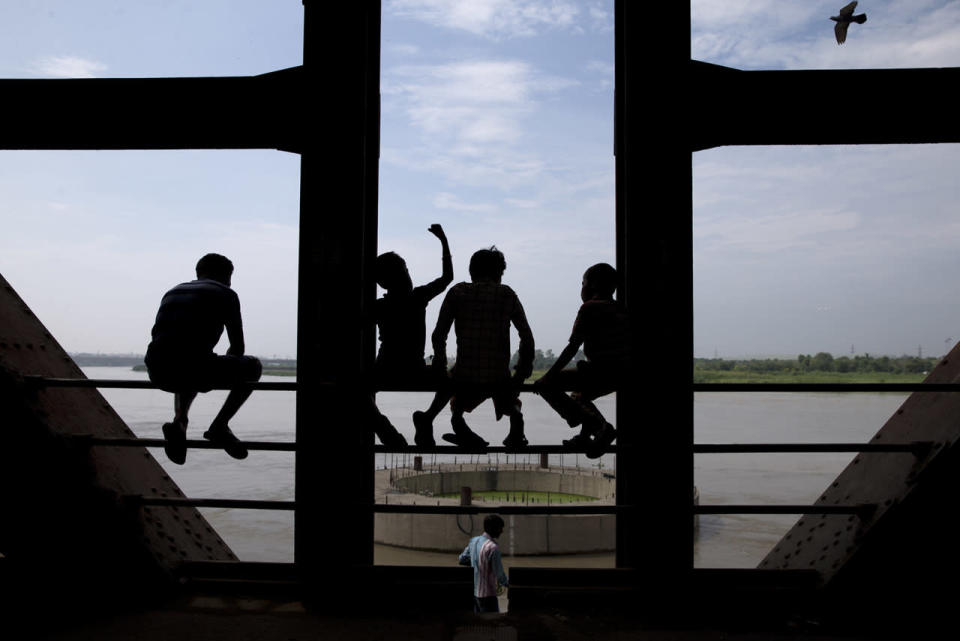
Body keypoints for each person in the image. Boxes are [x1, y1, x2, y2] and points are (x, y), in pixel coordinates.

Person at [145, 253, 262, 464]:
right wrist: (227, 371)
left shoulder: (173, 290)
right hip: (193, 367)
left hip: (156, 369)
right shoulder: (226, 293)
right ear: (226, 275)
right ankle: (219, 426)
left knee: (190, 360)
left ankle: (180, 421)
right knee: (252, 367)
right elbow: (237, 347)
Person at [417, 247, 534, 450]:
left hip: (465, 375)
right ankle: (517, 423)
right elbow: (526, 336)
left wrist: (440, 363)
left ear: (471, 271)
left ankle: (452, 422)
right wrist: (522, 371)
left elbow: (439, 334)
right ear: (499, 273)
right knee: (510, 398)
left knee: (455, 397)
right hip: (499, 376)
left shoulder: (458, 292)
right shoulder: (507, 294)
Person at [371, 224, 453, 447]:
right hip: (415, 370)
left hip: (385, 369)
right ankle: (426, 419)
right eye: (405, 271)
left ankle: (387, 432)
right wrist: (443, 240)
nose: (409, 275)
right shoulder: (418, 297)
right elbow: (447, 278)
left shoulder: (380, 306)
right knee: (450, 382)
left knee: (359, 390)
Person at [535, 262, 626, 459]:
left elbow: (572, 347)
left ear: (591, 286)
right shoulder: (621, 309)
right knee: (582, 394)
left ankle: (599, 427)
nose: (581, 288)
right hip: (621, 373)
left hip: (601, 371)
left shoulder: (590, 309)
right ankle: (586, 436)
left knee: (554, 388)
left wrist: (547, 377)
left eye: (582, 283)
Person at [458, 514, 509, 613]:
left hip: (475, 594)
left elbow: (462, 559)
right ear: (493, 528)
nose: (501, 531)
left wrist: (475, 560)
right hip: (489, 596)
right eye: (500, 528)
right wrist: (509, 584)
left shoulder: (474, 541)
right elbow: (500, 575)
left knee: (479, 624)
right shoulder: (493, 548)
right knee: (492, 625)